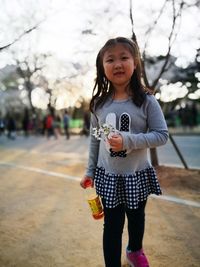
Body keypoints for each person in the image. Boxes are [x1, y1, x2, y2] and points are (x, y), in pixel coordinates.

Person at [80, 37, 168, 267]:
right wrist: (89, 171)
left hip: (136, 175)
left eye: (124, 57)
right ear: (102, 67)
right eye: (110, 59)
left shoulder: (147, 101)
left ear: (135, 62)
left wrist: (128, 140)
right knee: (112, 226)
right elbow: (94, 141)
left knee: (137, 218)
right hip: (108, 176)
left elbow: (161, 135)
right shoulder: (98, 104)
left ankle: (134, 250)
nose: (117, 64)